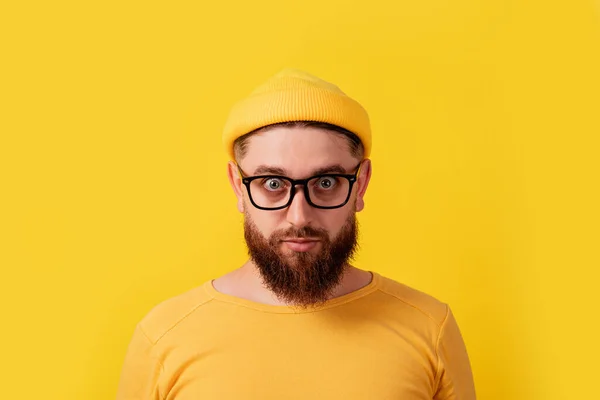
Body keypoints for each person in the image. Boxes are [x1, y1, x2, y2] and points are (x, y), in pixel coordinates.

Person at [115, 69, 477, 399]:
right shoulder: (164, 336)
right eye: (273, 183)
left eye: (326, 182)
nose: (299, 215)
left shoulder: (430, 328)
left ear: (361, 184)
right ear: (238, 187)